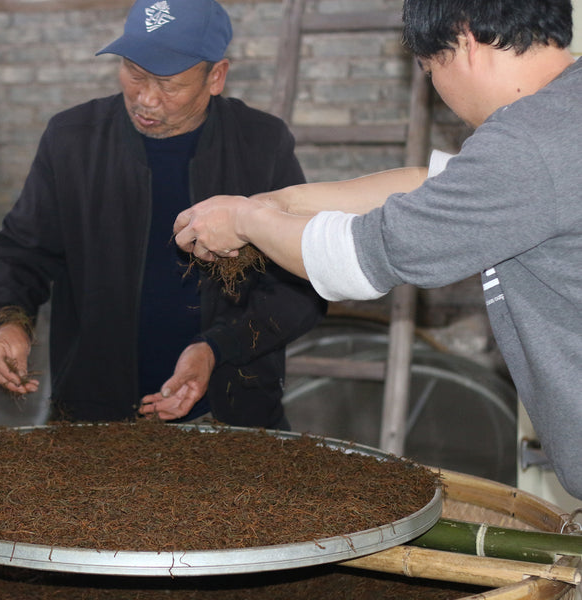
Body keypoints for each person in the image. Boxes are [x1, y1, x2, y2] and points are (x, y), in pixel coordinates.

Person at [174, 0, 582, 499]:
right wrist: (274, 203)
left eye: (430, 69)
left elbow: (354, 259)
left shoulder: (528, 143)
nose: (438, 89)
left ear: (465, 41)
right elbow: (432, 186)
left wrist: (244, 221)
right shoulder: (562, 114)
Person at [0, 0, 326, 427]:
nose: (146, 98)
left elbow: (300, 284)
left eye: (168, 84)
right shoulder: (72, 140)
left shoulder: (261, 145)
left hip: (231, 414)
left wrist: (217, 348)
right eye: (134, 74)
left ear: (216, 77)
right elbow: (22, 252)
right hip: (94, 416)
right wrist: (8, 320)